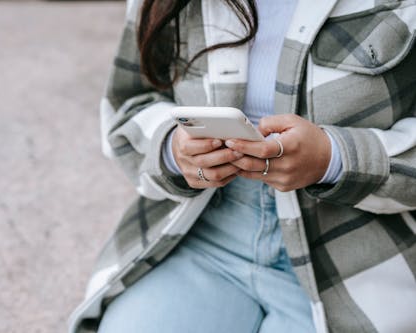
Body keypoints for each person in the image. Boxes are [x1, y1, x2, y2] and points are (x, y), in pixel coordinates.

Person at [69, 0, 416, 332]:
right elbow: (130, 101)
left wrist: (334, 160)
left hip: (362, 251)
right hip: (203, 230)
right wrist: (175, 150)